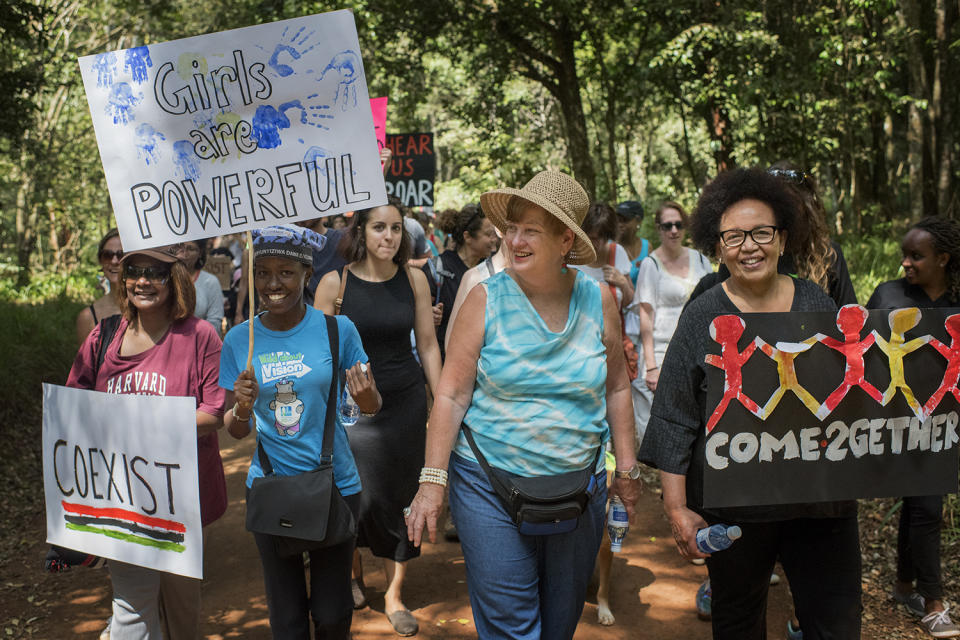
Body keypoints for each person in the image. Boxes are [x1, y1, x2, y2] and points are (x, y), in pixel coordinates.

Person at [404, 170, 641, 639]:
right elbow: (450, 395)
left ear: (564, 238)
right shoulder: (483, 297)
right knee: (513, 629)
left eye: (531, 229)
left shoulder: (597, 299)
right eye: (510, 228)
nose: (514, 239)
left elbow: (616, 388)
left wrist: (628, 471)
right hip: (489, 485)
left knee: (560, 623)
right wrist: (432, 481)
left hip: (581, 487)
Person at [639, 168, 861, 639]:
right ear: (718, 246)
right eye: (735, 236)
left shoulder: (815, 302)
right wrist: (677, 509)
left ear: (783, 238)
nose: (750, 246)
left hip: (818, 507)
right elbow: (675, 414)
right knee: (737, 623)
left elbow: (847, 397)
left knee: (835, 622)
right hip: (734, 509)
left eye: (762, 233)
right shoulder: (704, 313)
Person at [220, 224, 381, 640]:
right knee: (287, 621)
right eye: (264, 273)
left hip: (335, 486)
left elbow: (372, 404)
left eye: (286, 272)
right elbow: (235, 431)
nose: (274, 284)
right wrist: (240, 405)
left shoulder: (337, 330)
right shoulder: (241, 339)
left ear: (307, 275)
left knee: (332, 615)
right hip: (272, 488)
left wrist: (366, 398)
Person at [66, 245, 227, 640]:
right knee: (131, 612)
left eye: (155, 273)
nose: (143, 281)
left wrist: (143, 427)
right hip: (120, 500)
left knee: (180, 613)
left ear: (173, 280)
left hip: (179, 503)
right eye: (134, 270)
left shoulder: (199, 336)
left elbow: (214, 412)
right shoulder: (103, 336)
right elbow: (73, 407)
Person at [314, 202, 442, 637]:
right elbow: (319, 357)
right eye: (378, 228)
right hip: (351, 412)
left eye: (394, 229)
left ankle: (394, 594)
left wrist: (441, 402)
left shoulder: (414, 279)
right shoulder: (335, 283)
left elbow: (427, 344)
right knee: (357, 497)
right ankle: (352, 575)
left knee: (399, 497)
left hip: (404, 405)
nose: (388, 236)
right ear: (360, 232)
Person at [867, 217, 960, 639]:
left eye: (916, 256)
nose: (905, 263)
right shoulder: (888, 294)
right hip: (896, 417)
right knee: (923, 502)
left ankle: (911, 588)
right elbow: (862, 350)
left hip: (945, 421)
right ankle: (933, 601)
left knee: (922, 502)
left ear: (943, 258)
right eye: (904, 254)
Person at [632, 202, 712, 444]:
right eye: (667, 226)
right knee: (657, 423)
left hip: (697, 349)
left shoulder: (700, 260)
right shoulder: (651, 264)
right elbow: (645, 316)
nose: (673, 231)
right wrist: (651, 367)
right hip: (660, 350)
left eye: (678, 224)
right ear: (659, 229)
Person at [423, 204, 498, 360]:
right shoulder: (437, 269)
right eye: (489, 234)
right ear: (468, 237)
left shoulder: (493, 270)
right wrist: (427, 316)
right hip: (444, 362)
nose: (494, 240)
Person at [76, 229, 123, 343]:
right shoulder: (87, 317)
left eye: (121, 255)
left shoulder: (150, 310)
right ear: (101, 261)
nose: (114, 261)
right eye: (107, 255)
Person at [172, 239, 224, 332]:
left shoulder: (211, 282)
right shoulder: (165, 279)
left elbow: (215, 323)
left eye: (190, 249)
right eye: (180, 247)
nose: (184, 253)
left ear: (200, 253)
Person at [615, 200, 650, 286]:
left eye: (625, 220)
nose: (620, 224)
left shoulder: (646, 246)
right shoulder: (609, 246)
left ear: (638, 221)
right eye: (618, 220)